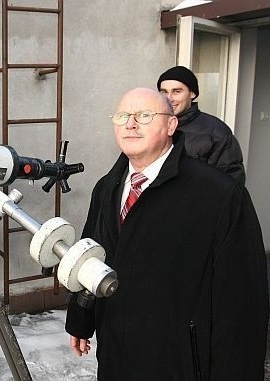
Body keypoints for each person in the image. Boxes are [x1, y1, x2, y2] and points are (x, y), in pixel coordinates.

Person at [65, 87, 268, 380]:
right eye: (122, 116)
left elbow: (242, 304)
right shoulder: (107, 187)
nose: (130, 124)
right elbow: (93, 258)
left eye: (144, 115)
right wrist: (81, 317)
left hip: (179, 361)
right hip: (116, 354)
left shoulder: (219, 195)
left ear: (171, 125)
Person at [157, 65, 246, 184]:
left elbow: (231, 185)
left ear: (192, 93)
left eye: (177, 91)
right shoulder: (151, 125)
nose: (169, 98)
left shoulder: (217, 132)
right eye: (164, 92)